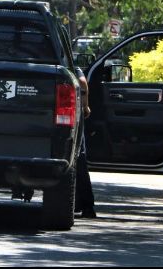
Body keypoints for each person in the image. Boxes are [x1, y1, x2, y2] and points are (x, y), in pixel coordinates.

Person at [74, 66, 97, 218]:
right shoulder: (67, 63)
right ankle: (86, 205)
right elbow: (82, 82)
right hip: (66, 118)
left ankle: (78, 202)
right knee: (79, 158)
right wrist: (85, 105)